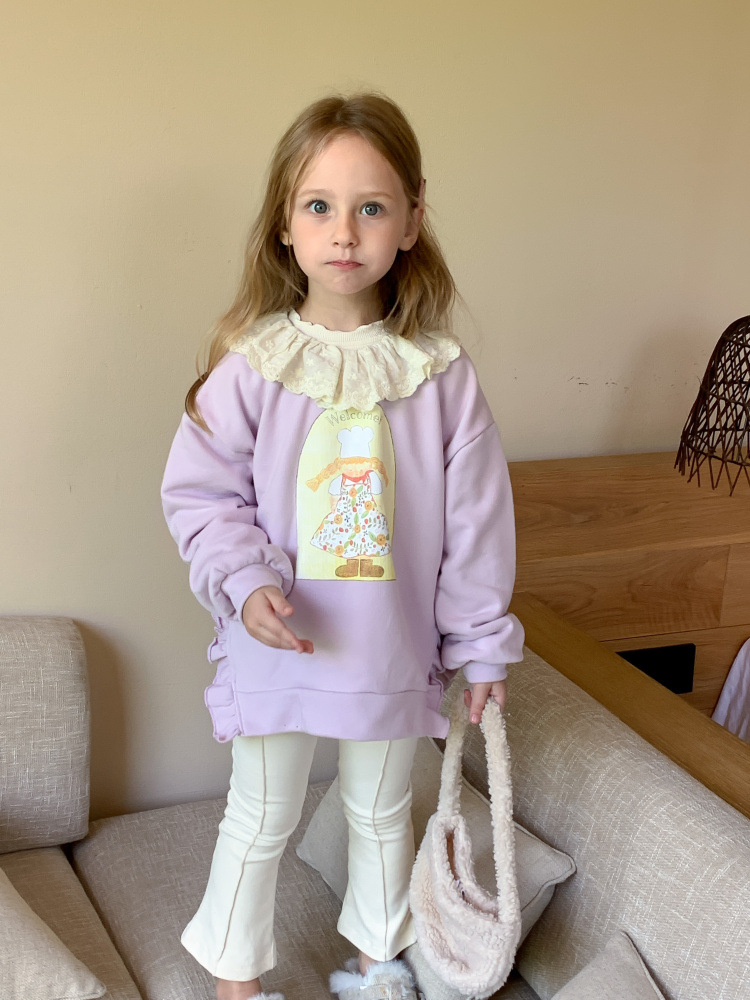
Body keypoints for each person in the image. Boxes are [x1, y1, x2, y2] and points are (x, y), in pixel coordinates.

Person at [161, 91, 524, 1000]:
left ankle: (377, 964)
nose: (345, 232)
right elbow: (203, 495)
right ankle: (236, 982)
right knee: (261, 812)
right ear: (285, 223)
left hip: (389, 644)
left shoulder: (441, 376)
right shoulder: (252, 365)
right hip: (278, 638)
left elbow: (477, 524)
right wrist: (246, 581)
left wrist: (482, 643)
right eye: (320, 205)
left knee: (381, 812)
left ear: (412, 219)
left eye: (372, 207)